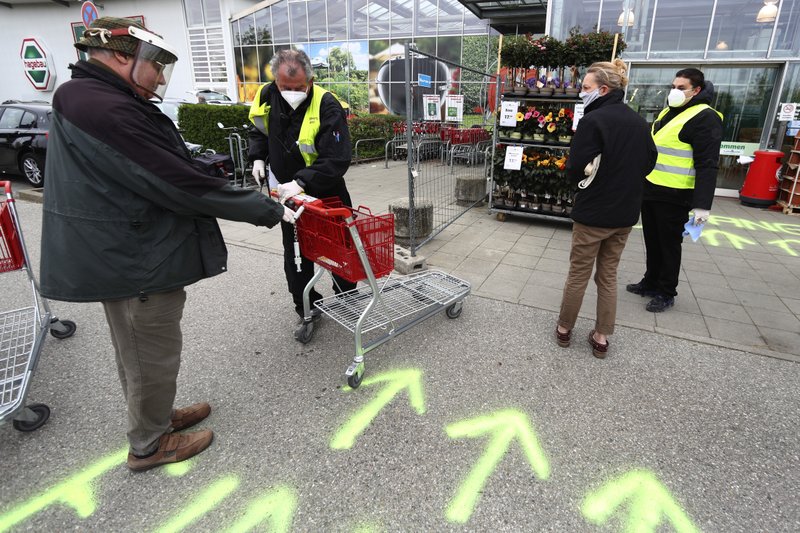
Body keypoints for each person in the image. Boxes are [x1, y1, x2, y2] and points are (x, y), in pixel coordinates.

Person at [39, 17, 294, 472]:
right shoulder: (104, 106)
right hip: (134, 256)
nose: (160, 78)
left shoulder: (92, 96)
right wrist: (264, 208)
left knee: (137, 350)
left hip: (122, 248)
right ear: (122, 57)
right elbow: (172, 182)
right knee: (149, 353)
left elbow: (153, 165)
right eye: (156, 66)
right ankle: (150, 444)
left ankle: (156, 417)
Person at [555, 60, 657, 359]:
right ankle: (601, 337)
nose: (581, 92)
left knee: (578, 273)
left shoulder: (593, 121)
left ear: (602, 90)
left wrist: (585, 182)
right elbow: (649, 162)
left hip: (594, 212)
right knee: (608, 275)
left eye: (586, 88)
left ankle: (564, 329)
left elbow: (575, 166)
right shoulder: (639, 122)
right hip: (625, 213)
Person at [248, 49, 356, 324]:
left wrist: (302, 182)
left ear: (311, 80)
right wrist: (258, 157)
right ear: (275, 80)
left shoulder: (327, 105)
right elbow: (258, 130)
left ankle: (347, 296)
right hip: (288, 194)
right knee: (296, 252)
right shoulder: (266, 95)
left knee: (340, 246)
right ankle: (306, 305)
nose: (292, 93)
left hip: (326, 191)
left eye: (299, 88)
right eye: (285, 87)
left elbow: (338, 157)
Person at [626, 68, 723, 312]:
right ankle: (650, 281)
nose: (675, 92)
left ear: (696, 90)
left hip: (676, 194)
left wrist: (702, 206)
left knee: (668, 245)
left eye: (681, 88)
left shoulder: (705, 117)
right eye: (673, 87)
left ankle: (666, 292)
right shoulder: (669, 111)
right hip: (652, 188)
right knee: (652, 240)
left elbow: (707, 164)